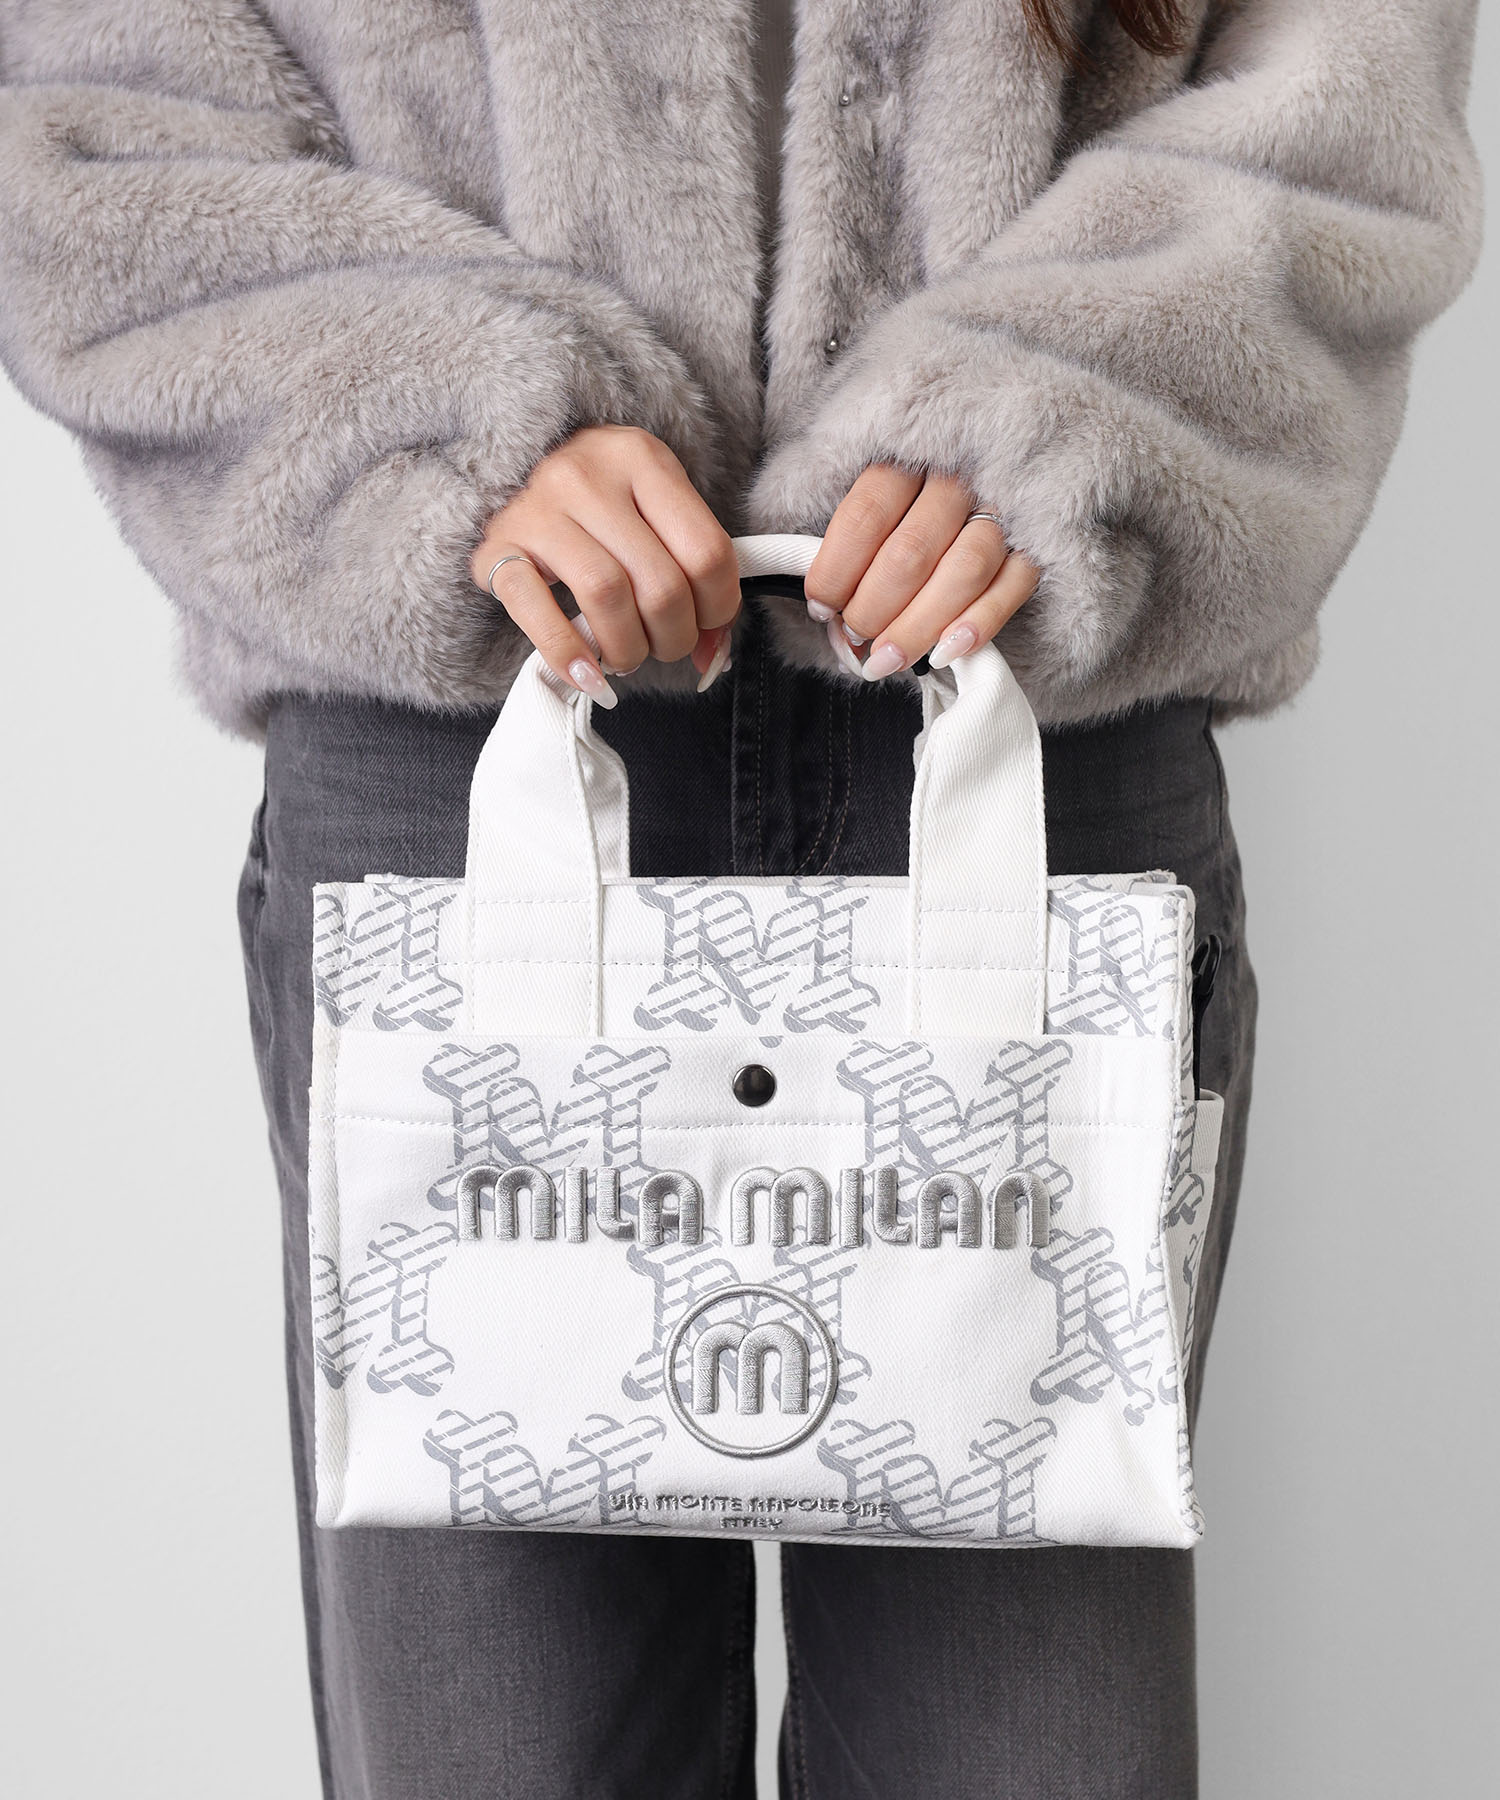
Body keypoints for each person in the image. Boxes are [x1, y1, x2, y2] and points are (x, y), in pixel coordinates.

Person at [0, 3, 1480, 1795]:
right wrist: (441, 412)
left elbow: (1341, 97)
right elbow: (100, 113)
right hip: (469, 737)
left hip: (1023, 716)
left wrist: (1061, 410)